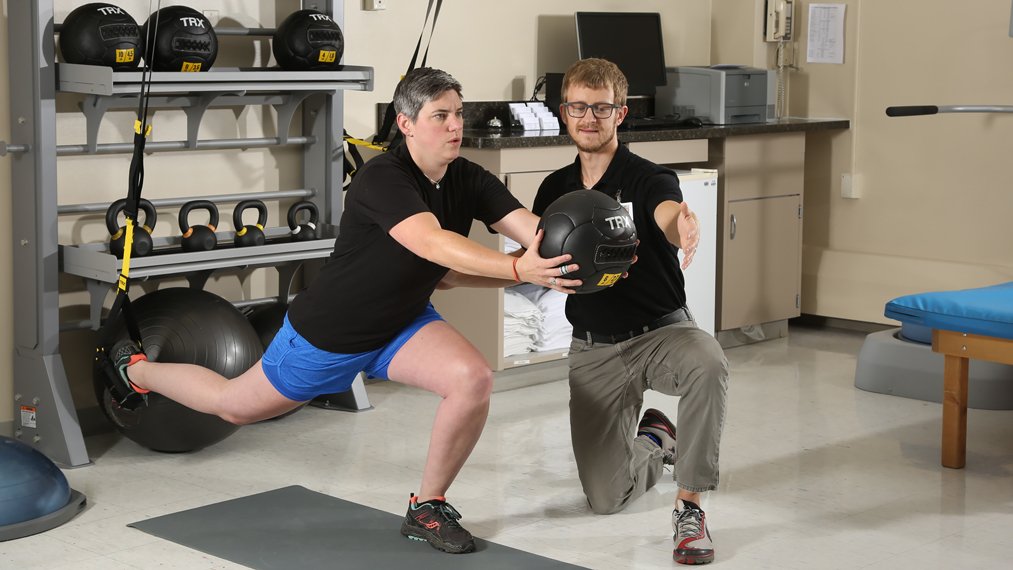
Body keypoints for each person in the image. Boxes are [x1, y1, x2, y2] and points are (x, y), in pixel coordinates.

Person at [101, 67, 583, 555]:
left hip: (403, 324)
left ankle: (427, 508)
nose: (455, 125)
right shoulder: (384, 178)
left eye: (458, 114)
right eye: (441, 116)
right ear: (407, 123)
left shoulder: (467, 177)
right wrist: (519, 270)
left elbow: (536, 233)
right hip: (330, 334)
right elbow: (433, 243)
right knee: (233, 405)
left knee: (472, 378)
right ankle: (140, 371)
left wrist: (583, 253)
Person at [531, 58, 729, 565]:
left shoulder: (646, 177)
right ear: (564, 112)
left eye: (601, 108)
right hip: (594, 348)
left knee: (708, 362)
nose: (589, 118)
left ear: (621, 113)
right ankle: (656, 439)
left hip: (662, 334)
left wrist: (680, 226)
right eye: (578, 107)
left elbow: (665, 211)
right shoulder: (554, 190)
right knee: (605, 498)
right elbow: (533, 256)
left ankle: (690, 506)